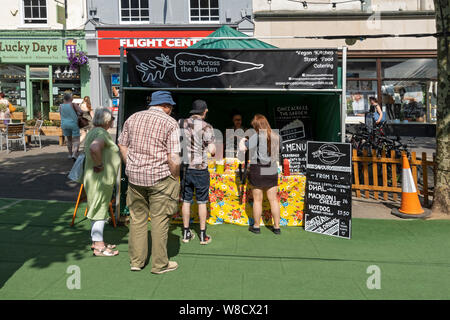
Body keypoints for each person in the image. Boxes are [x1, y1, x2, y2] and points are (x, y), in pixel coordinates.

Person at [118, 90, 181, 274]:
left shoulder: (133, 118)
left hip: (135, 177)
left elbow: (122, 144)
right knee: (160, 220)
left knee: (137, 219)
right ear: (167, 106)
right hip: (160, 177)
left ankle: (136, 262)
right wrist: (174, 176)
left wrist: (130, 163)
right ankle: (160, 264)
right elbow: (174, 156)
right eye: (171, 107)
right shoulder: (170, 123)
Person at [83, 108, 120, 257]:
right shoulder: (101, 133)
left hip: (94, 177)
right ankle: (99, 246)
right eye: (112, 119)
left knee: (96, 207)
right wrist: (99, 165)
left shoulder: (93, 131)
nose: (113, 121)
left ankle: (96, 241)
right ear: (106, 120)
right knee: (99, 209)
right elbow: (94, 148)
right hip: (100, 178)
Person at [179, 99, 216, 245]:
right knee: (201, 202)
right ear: (204, 111)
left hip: (185, 168)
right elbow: (212, 150)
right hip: (200, 169)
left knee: (186, 201)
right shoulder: (207, 127)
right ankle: (202, 235)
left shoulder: (181, 123)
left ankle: (186, 233)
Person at [239, 114, 281, 235]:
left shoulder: (256, 136)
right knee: (273, 200)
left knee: (257, 200)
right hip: (271, 168)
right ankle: (277, 227)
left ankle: (256, 227)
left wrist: (243, 139)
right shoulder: (276, 136)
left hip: (257, 168)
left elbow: (243, 148)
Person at [60, 93, 82, 160]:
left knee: (69, 140)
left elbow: (61, 115)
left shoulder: (61, 106)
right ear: (70, 98)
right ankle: (74, 154)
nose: (73, 98)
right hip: (73, 123)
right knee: (76, 139)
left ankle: (69, 154)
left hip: (64, 124)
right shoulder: (73, 104)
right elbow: (81, 112)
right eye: (72, 97)